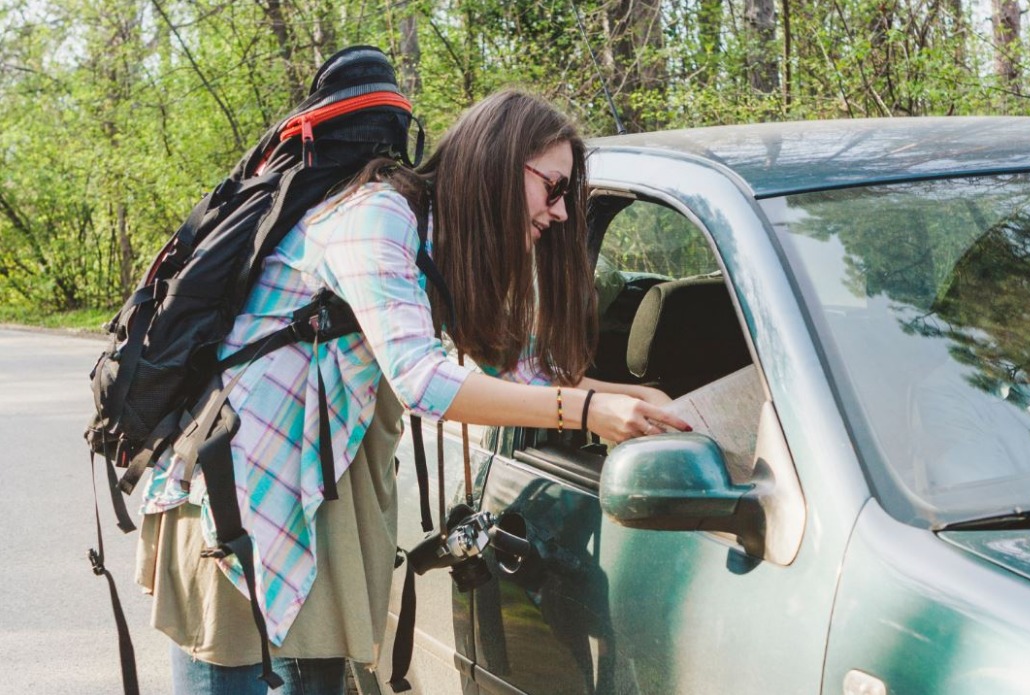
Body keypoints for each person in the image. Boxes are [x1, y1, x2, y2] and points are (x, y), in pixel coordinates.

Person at [134, 88, 690, 694]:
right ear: (499, 165)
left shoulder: (438, 245)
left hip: (306, 498)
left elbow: (518, 367)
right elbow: (421, 380)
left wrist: (641, 401)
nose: (559, 212)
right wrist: (586, 410)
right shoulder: (379, 217)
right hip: (238, 500)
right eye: (552, 187)